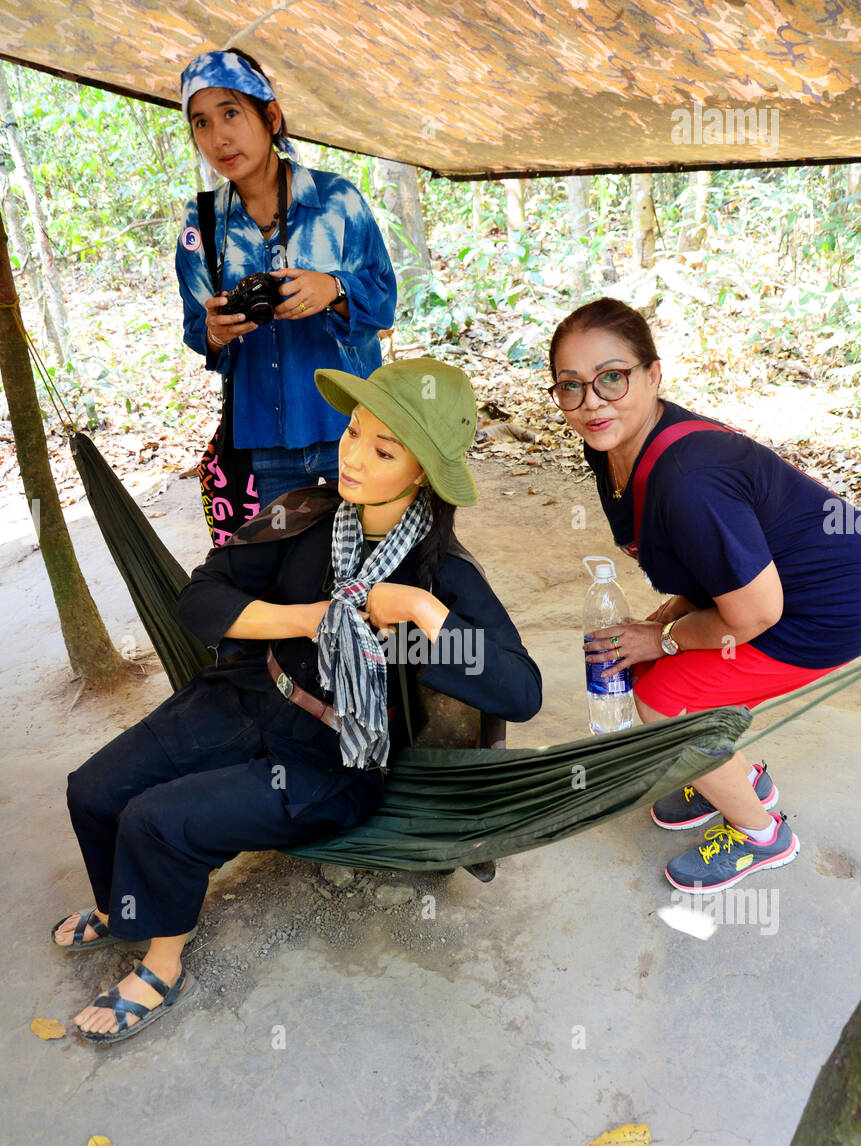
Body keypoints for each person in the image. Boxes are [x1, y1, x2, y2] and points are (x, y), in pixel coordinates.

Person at [51, 359, 542, 1044]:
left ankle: (162, 965)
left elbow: (518, 692)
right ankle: (125, 908)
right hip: (254, 692)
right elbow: (202, 595)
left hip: (335, 758)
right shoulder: (306, 515)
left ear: (423, 471)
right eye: (350, 432)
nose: (352, 455)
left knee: (159, 820)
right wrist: (309, 618)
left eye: (382, 449)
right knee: (95, 789)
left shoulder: (443, 574)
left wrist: (424, 613)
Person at [547, 296, 861, 892]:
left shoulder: (690, 481)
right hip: (774, 592)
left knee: (666, 701)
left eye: (612, 378)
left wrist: (662, 639)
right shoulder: (613, 443)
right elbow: (709, 565)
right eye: (571, 386)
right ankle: (742, 776)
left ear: (654, 374)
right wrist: (670, 619)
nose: (592, 402)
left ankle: (761, 832)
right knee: (643, 668)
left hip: (820, 611)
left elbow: (757, 612)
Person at [175, 48, 397, 517]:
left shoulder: (338, 202)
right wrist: (215, 332)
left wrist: (333, 290)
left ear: (271, 116)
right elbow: (197, 327)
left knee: (371, 565)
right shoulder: (203, 227)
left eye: (230, 113)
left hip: (354, 426)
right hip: (263, 438)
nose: (219, 138)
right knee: (288, 577)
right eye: (201, 123)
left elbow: (383, 304)